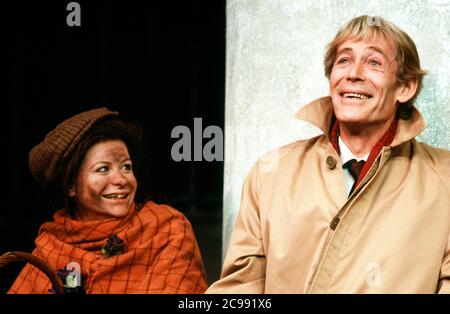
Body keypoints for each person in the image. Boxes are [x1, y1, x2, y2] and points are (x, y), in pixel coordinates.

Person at [207, 15, 450, 293]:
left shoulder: (444, 178)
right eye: (343, 60)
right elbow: (243, 285)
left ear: (405, 87)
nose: (353, 73)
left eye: (374, 62)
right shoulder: (271, 173)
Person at [8, 108, 208, 294]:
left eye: (126, 167)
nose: (121, 179)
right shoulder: (50, 249)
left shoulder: (167, 229)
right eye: (103, 169)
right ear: (71, 186)